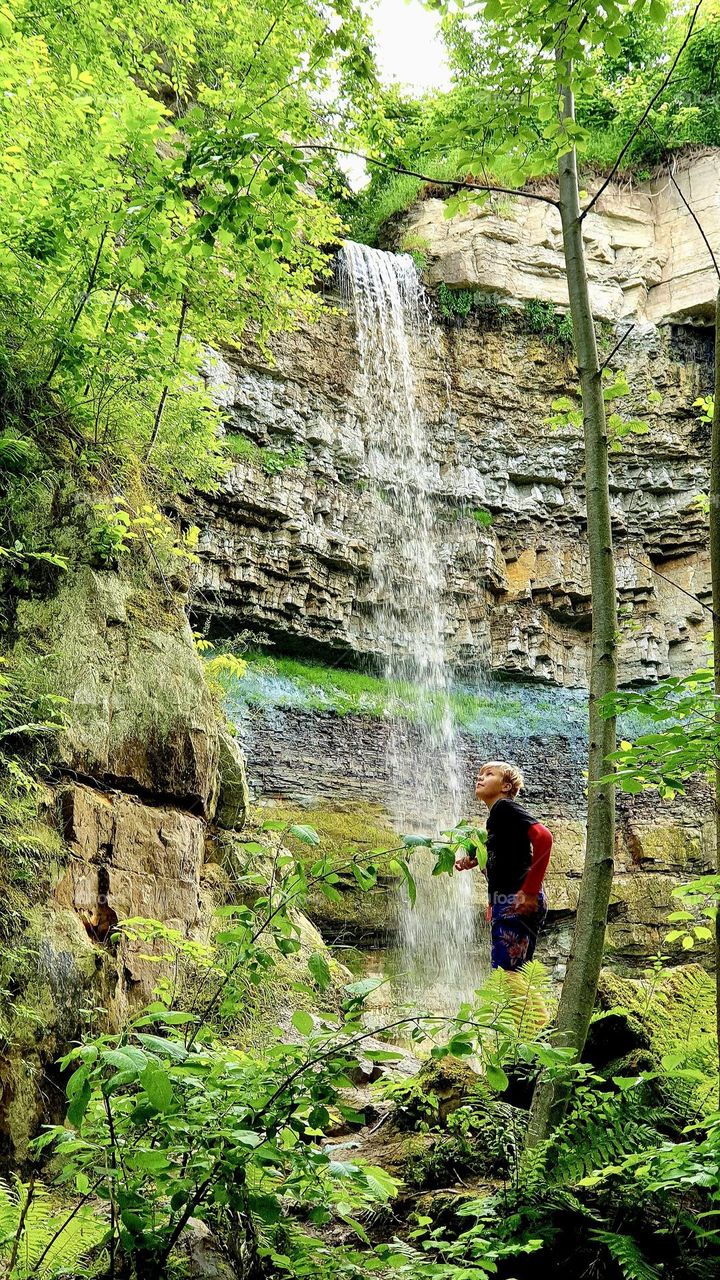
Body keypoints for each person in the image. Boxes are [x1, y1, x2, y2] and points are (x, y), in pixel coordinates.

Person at [455, 760, 552, 972]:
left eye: (489, 774)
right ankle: (531, 1007)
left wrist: (529, 891)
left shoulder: (504, 807)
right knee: (518, 975)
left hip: (516, 899)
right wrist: (475, 859)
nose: (480, 777)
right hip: (509, 900)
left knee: (506, 976)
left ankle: (515, 1007)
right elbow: (504, 860)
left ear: (506, 786)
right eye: (480, 774)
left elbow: (544, 837)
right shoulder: (497, 820)